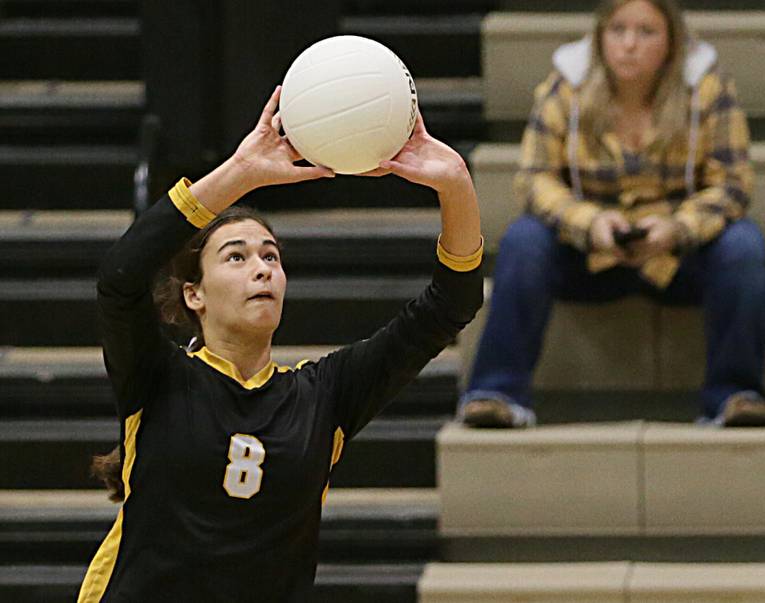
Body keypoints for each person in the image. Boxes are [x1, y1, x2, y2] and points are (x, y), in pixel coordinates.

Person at [78, 85, 483, 602]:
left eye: (271, 257)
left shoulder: (323, 395)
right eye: (237, 257)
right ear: (194, 294)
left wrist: (455, 185)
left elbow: (450, 306)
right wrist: (240, 173)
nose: (262, 269)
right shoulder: (159, 377)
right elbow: (119, 276)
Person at [461, 0, 765, 429]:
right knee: (523, 240)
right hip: (590, 254)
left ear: (671, 42)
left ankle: (734, 395)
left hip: (676, 255)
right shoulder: (566, 88)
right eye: (618, 30)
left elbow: (733, 183)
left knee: (743, 245)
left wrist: (678, 227)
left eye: (647, 32)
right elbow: (534, 180)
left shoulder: (707, 89)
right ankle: (496, 392)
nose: (630, 44)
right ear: (599, 37)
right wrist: (590, 224)